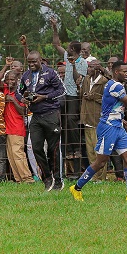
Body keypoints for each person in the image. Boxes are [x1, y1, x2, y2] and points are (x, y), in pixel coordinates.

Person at [69, 61, 127, 201]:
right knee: (101, 162)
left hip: (118, 127)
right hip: (108, 128)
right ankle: (76, 188)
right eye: (124, 72)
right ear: (116, 72)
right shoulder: (116, 86)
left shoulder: (114, 84)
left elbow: (113, 110)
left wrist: (126, 124)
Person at [17, 51, 66, 191]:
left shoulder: (50, 73)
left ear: (40, 60)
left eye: (34, 62)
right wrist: (23, 99)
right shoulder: (26, 76)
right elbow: (19, 92)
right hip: (35, 116)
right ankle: (47, 178)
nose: (31, 64)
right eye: (29, 62)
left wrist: (44, 97)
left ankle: (58, 180)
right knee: (36, 148)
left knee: (53, 149)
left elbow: (62, 90)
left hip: (51, 114)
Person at [51, 17, 87, 160]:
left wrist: (72, 65)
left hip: (74, 95)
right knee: (63, 121)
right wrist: (55, 28)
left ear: (73, 49)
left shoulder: (82, 62)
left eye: (68, 47)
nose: (66, 49)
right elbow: (56, 44)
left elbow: (78, 80)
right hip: (64, 93)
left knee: (72, 120)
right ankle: (67, 150)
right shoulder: (67, 56)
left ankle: (77, 148)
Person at [3, 71, 33, 183]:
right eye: (7, 79)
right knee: (11, 155)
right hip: (7, 128)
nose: (9, 82)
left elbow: (23, 112)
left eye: (12, 79)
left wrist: (13, 101)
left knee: (18, 153)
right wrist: (6, 67)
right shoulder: (6, 90)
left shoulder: (20, 94)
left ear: (17, 80)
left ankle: (28, 178)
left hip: (17, 128)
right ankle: (19, 179)